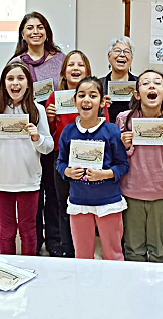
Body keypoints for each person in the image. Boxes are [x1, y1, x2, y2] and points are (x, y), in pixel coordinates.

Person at [0, 62, 53, 256]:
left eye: (21, 78)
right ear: (4, 84)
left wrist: (37, 138)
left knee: (28, 230)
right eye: (10, 78)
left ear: (28, 83)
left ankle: (30, 267)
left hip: (28, 180)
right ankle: (8, 268)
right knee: (6, 231)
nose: (15, 83)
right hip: (1, 180)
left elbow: (48, 147)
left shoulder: (37, 110)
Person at [116, 70, 163, 262]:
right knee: (133, 248)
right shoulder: (124, 119)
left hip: (162, 195)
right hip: (132, 193)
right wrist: (124, 146)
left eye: (157, 83)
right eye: (146, 83)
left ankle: (158, 280)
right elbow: (117, 159)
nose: (152, 86)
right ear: (137, 94)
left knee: (159, 250)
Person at [56, 77, 129, 260]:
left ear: (102, 102)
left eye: (93, 95)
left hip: (109, 203)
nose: (86, 100)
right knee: (82, 255)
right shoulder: (68, 131)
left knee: (113, 253)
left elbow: (123, 165)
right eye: (81, 95)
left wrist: (104, 174)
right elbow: (60, 162)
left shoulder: (112, 131)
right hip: (79, 202)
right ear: (74, 101)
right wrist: (67, 171)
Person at [12, 11, 66, 257]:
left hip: (55, 134)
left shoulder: (60, 59)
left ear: (47, 32)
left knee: (53, 193)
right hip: (27, 137)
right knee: (32, 191)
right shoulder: (16, 63)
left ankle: (55, 241)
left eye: (40, 27)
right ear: (23, 34)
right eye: (30, 28)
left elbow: (70, 90)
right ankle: (34, 240)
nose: (36, 32)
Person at [45, 50, 109, 257]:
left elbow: (106, 128)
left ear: (87, 71)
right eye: (71, 65)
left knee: (87, 206)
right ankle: (67, 249)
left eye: (80, 65)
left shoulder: (98, 99)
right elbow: (49, 134)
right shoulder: (54, 97)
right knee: (63, 204)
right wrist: (50, 118)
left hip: (91, 157)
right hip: (63, 159)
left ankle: (85, 250)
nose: (75, 68)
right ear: (64, 71)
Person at [100, 36, 138, 123]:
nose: (122, 55)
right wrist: (100, 107)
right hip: (106, 130)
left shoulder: (140, 85)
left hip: (131, 130)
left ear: (131, 59)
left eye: (127, 52)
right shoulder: (98, 85)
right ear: (109, 56)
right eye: (117, 51)